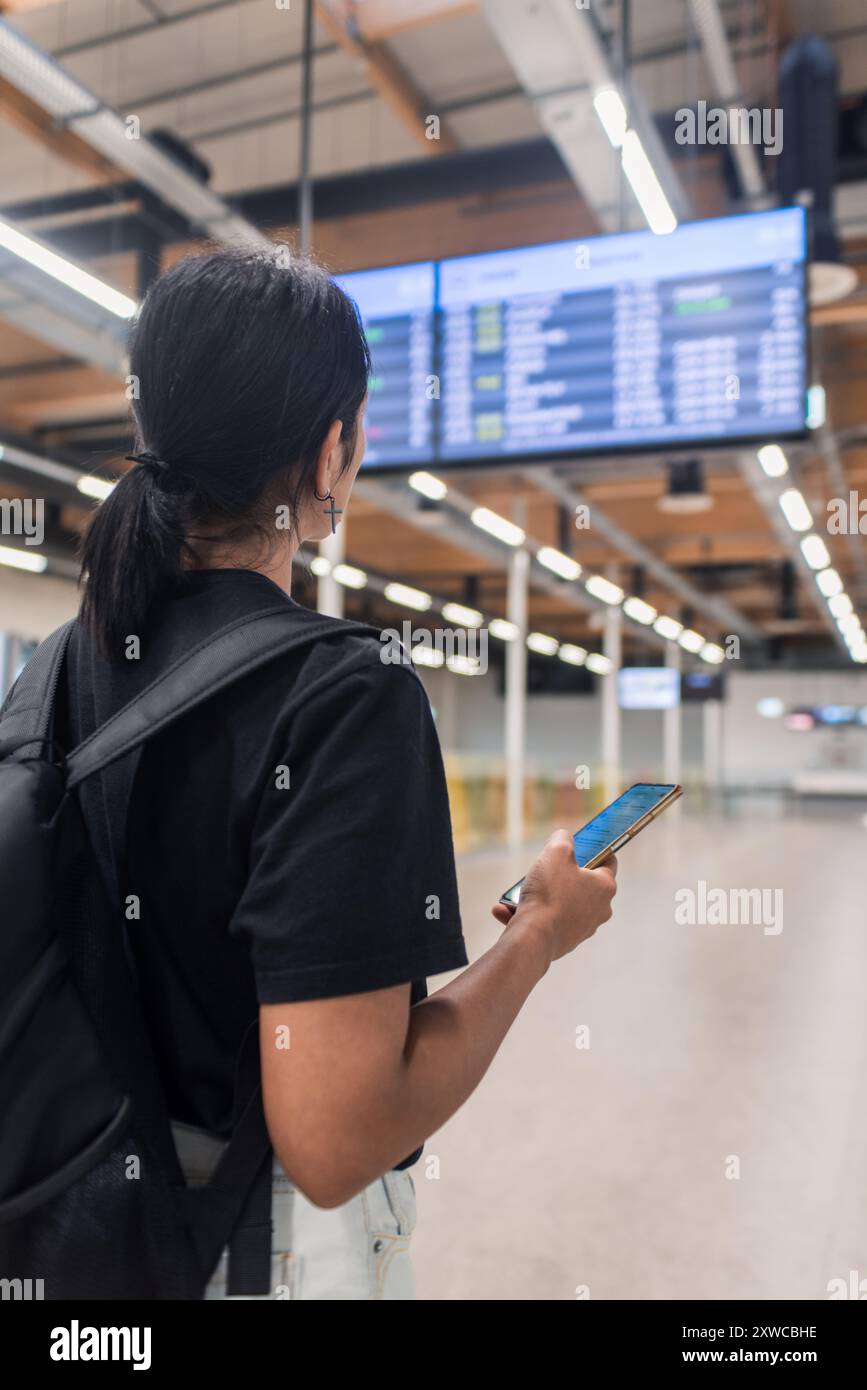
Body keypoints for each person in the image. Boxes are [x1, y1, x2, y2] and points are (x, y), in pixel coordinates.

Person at [70, 247, 618, 1300]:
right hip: (248, 1252)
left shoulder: (54, 677)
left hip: (78, 1231)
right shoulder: (344, 701)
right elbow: (332, 1141)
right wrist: (540, 934)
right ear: (334, 455)